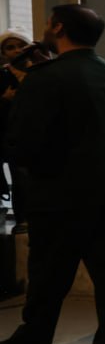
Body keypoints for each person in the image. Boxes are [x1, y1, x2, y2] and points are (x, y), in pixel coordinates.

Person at [0, 4, 105, 344]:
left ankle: (33, 342)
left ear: (58, 28)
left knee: (47, 274)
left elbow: (24, 141)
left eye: (48, 23)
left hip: (59, 193)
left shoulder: (44, 78)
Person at [0, 30, 53, 225]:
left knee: (29, 181)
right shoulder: (2, 75)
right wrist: (4, 100)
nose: (16, 51)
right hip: (7, 138)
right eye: (10, 47)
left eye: (21, 46)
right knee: (19, 181)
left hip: (33, 138)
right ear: (3, 53)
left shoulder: (41, 73)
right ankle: (22, 222)